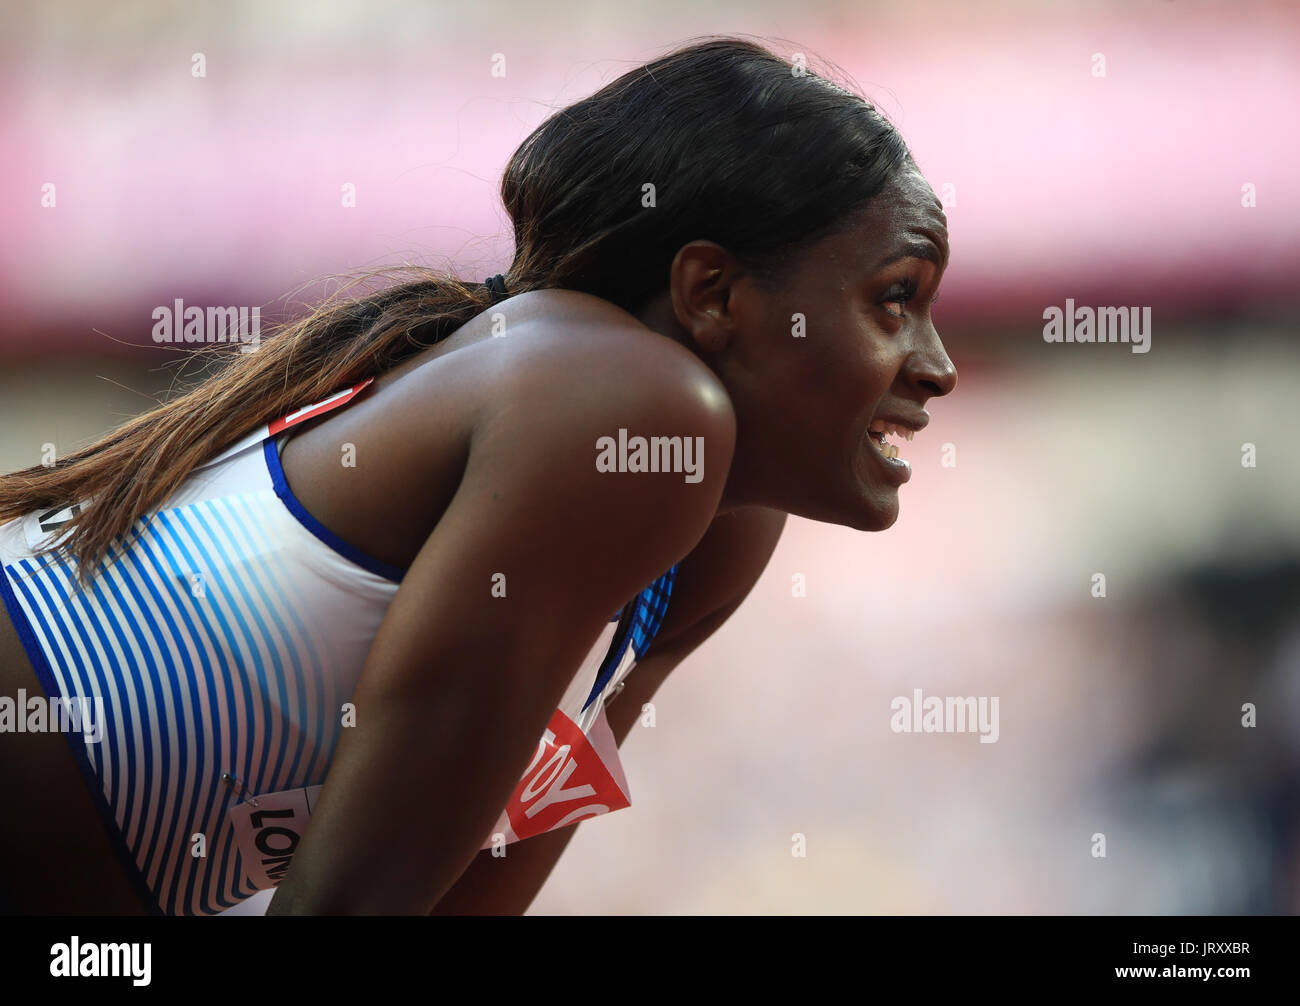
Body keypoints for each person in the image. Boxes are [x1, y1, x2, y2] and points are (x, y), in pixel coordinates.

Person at [0, 36, 955, 916]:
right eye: (896, 300)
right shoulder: (628, 401)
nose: (938, 365)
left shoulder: (721, 529)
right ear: (712, 294)